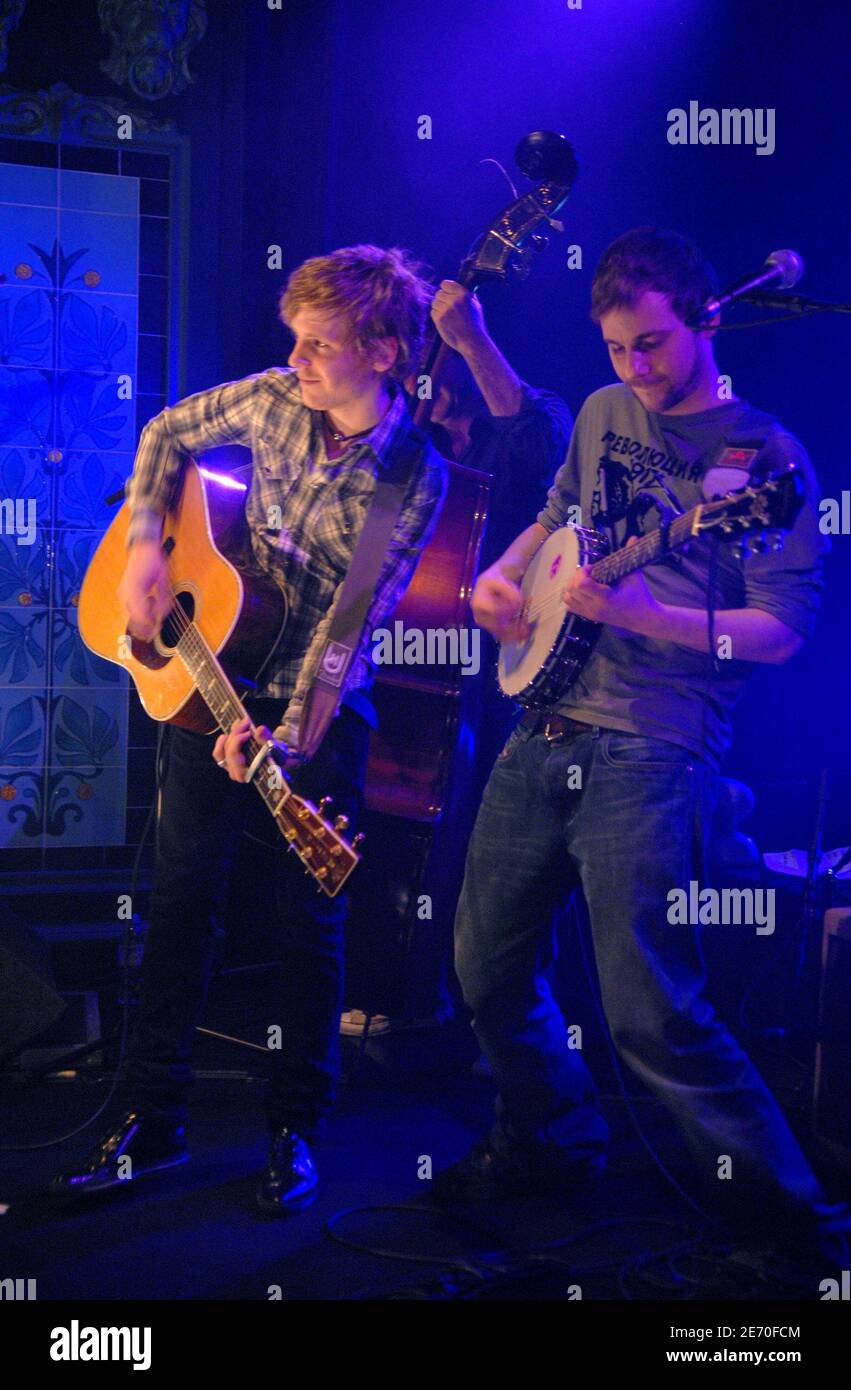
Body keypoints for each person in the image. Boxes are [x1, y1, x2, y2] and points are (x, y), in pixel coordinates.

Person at [439, 226, 848, 1282]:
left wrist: (636, 612)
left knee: (648, 1010)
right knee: (482, 970)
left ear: (705, 319)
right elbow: (557, 513)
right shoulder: (602, 411)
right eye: (617, 347)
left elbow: (782, 631)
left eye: (653, 345)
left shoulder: (765, 460)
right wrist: (506, 574)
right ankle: (551, 1144)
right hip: (544, 718)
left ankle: (796, 1229)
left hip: (654, 745)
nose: (634, 368)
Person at [52, 245, 447, 1215]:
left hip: (314, 699)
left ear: (386, 351)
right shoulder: (273, 399)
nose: (298, 360)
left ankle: (294, 1128)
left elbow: (344, 634)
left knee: (306, 920)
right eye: (294, 340)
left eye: (319, 345)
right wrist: (147, 544)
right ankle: (154, 1122)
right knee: (183, 901)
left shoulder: (409, 478)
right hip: (214, 664)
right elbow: (165, 431)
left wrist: (292, 737)